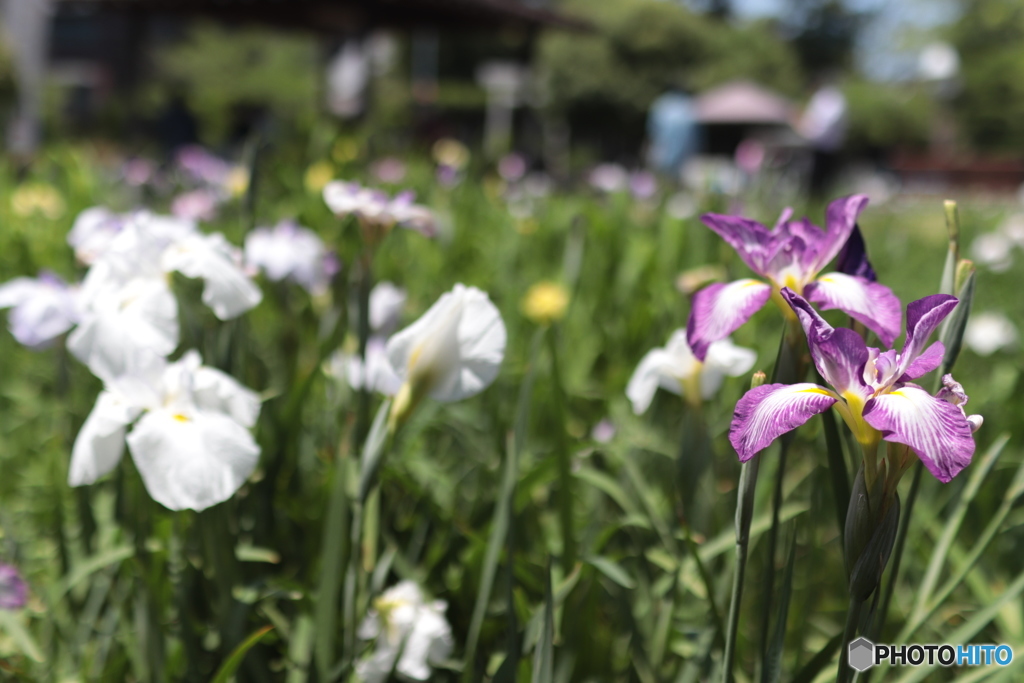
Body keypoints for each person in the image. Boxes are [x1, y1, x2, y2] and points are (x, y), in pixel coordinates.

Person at [799, 79, 848, 197]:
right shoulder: (826, 98)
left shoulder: (824, 98)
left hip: (824, 146)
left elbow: (822, 122)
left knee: (820, 183)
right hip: (823, 146)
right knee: (817, 184)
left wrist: (808, 129)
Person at [647, 89, 698, 180]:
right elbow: (695, 136)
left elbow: (652, 130)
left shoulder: (661, 103)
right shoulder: (687, 105)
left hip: (663, 152)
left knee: (661, 181)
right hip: (682, 155)